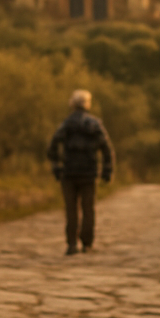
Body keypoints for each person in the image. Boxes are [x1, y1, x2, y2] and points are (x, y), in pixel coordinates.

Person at [46, 89, 114, 255]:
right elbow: (107, 149)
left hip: (69, 173)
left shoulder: (66, 124)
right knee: (88, 209)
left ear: (73, 104)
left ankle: (71, 244)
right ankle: (87, 243)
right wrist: (107, 170)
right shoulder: (95, 124)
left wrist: (57, 167)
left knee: (71, 209)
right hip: (89, 174)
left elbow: (52, 146)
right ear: (87, 104)